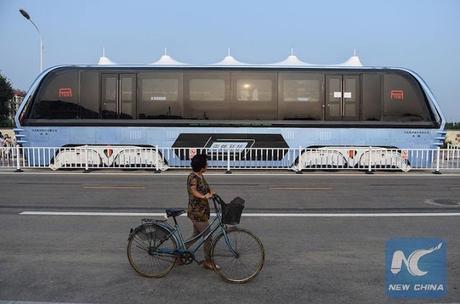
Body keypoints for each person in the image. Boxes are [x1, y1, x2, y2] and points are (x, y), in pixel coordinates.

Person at [186, 153, 219, 270]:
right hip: (197, 213)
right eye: (206, 163)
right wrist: (204, 197)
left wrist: (212, 193)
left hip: (202, 212)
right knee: (208, 236)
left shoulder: (200, 176)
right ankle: (208, 261)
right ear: (201, 166)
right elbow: (193, 191)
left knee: (196, 235)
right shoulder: (193, 177)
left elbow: (206, 188)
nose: (207, 165)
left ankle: (179, 252)